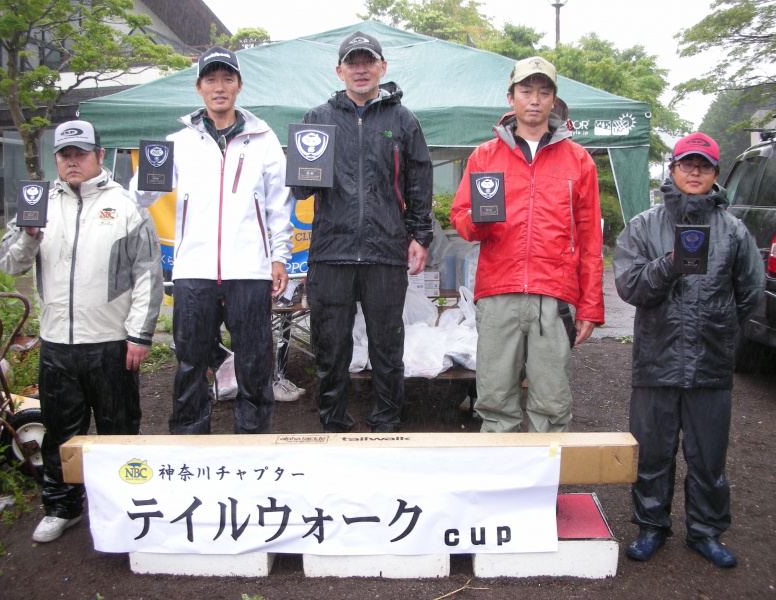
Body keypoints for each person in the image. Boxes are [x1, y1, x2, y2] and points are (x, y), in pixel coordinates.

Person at [0, 119, 163, 543]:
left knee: (119, 429)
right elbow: (8, 264)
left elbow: (147, 275)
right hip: (56, 344)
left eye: (81, 154)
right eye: (65, 155)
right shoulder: (36, 204)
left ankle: (123, 506)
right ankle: (61, 506)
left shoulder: (125, 205)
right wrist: (28, 237)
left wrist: (140, 336)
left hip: (109, 344)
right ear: (56, 159)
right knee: (61, 432)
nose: (73, 162)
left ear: (99, 156)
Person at [614, 132, 764, 568]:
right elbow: (630, 286)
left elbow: (749, 293)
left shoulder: (734, 230)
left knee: (708, 456)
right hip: (655, 362)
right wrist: (671, 263)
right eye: (687, 164)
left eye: (704, 166)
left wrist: (715, 329)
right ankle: (651, 526)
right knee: (653, 452)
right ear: (673, 169)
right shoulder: (644, 225)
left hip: (711, 364)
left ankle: (706, 531)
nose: (695, 172)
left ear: (716, 175)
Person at [131, 46, 294, 434]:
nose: (218, 87)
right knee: (189, 362)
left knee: (254, 361)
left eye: (226, 78)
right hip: (194, 270)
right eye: (210, 79)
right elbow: (140, 196)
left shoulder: (263, 139)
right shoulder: (179, 141)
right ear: (199, 87)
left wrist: (279, 257)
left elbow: (278, 204)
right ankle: (189, 442)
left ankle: (252, 444)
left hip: (249, 270)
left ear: (239, 85)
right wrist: (140, 183)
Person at [449, 56, 604, 434]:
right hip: (499, 291)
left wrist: (590, 306)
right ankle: (498, 492)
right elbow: (461, 220)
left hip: (555, 295)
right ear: (511, 97)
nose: (534, 99)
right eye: (526, 91)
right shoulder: (485, 155)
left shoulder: (579, 160)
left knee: (551, 406)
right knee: (495, 403)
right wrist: (478, 221)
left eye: (543, 91)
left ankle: (540, 493)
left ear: (554, 100)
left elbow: (590, 239)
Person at [291, 31, 433, 433]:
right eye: (352, 63)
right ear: (339, 71)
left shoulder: (403, 119)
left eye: (368, 62)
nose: (360, 69)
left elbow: (419, 181)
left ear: (382, 68)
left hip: (385, 253)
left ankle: (386, 423)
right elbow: (302, 188)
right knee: (330, 348)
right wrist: (301, 171)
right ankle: (333, 424)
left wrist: (420, 236)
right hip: (330, 253)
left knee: (387, 346)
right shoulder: (317, 119)